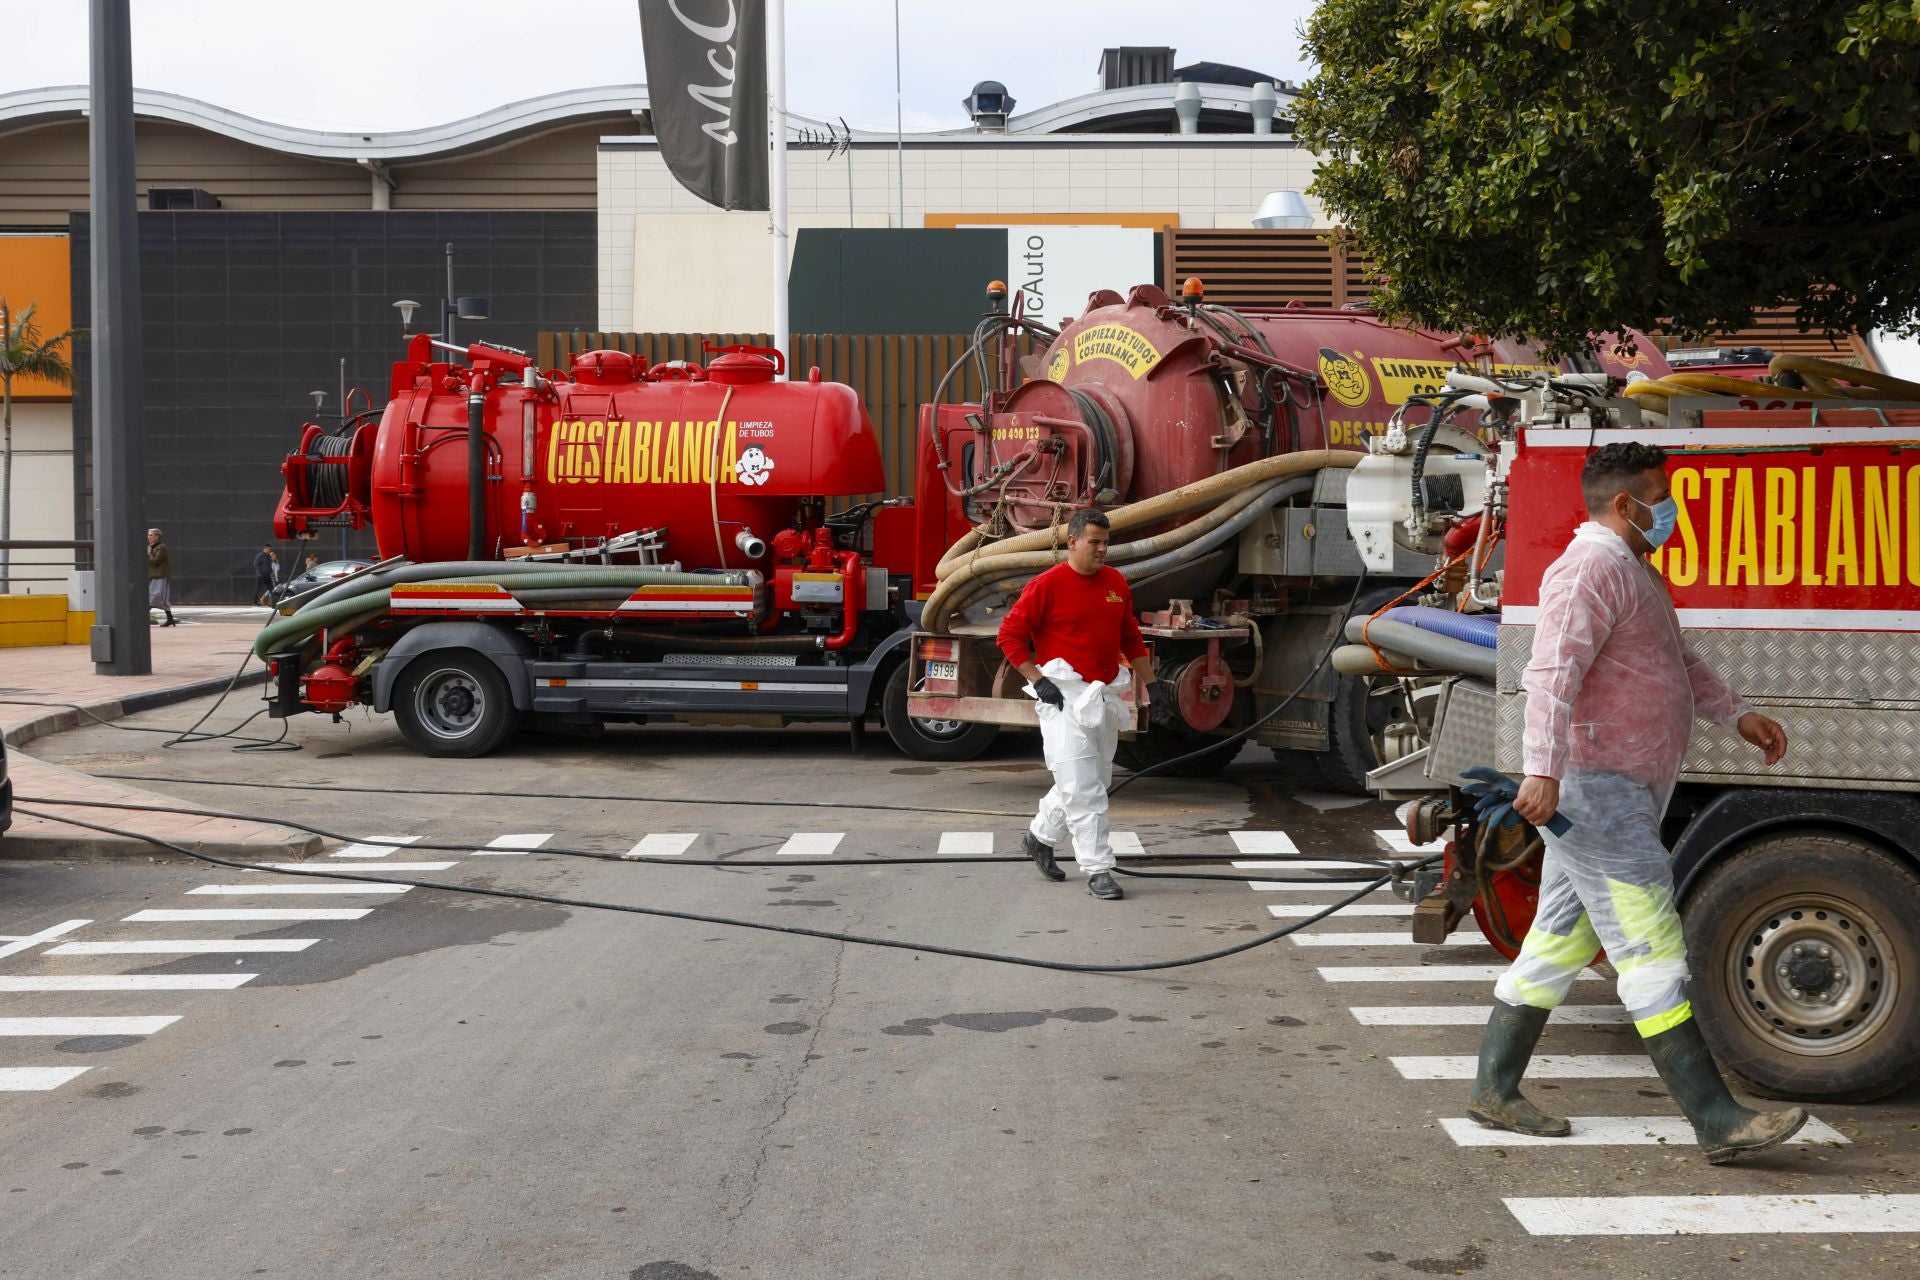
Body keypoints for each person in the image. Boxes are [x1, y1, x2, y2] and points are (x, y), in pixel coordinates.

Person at [1468, 441, 1806, 1164]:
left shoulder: (1631, 570)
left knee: (1558, 940)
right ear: (1625, 504)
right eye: (1659, 493)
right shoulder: (1589, 569)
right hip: (1597, 792)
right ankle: (1714, 1117)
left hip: (1615, 789)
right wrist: (1542, 771)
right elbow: (1552, 673)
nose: (1670, 506)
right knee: (1650, 945)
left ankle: (1494, 1090)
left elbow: (1672, 660)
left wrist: (1735, 713)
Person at [996, 508, 1155, 901]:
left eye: (1106, 542)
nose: (1102, 549)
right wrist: (1038, 680)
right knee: (1084, 789)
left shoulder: (1115, 583)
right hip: (1062, 698)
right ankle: (1098, 869)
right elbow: (1009, 635)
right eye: (1094, 542)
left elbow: (1130, 637)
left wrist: (1153, 687)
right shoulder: (1047, 586)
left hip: (1100, 696)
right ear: (1073, 542)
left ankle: (1039, 837)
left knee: (1093, 781)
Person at [146, 528, 176, 627]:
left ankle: (143, 618)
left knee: (154, 597)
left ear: (157, 537)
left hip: (160, 576)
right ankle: (170, 619)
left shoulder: (161, 547)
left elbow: (155, 561)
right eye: (148, 535)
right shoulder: (152, 547)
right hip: (154, 576)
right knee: (159, 599)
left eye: (151, 535)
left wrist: (149, 553)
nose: (148, 537)